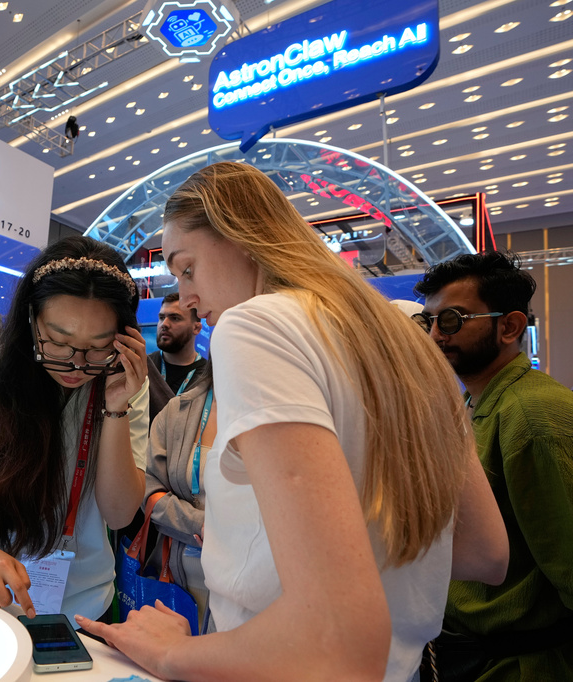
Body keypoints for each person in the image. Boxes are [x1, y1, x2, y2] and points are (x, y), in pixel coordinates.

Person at [76, 162, 509, 681]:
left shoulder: (254, 325)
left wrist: (172, 654)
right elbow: (485, 553)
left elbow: (337, 635)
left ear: (241, 236)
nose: (185, 297)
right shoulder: (401, 332)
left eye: (187, 268)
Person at [0, 236, 149, 624]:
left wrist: (115, 408)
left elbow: (118, 513)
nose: (77, 365)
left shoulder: (126, 384)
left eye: (98, 346)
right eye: (59, 342)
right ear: (31, 320)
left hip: (84, 608)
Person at [413, 251, 573, 679]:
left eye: (451, 320)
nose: (434, 337)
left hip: (521, 664)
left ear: (510, 326)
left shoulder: (534, 416)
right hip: (468, 656)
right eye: (427, 322)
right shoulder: (474, 403)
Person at [143, 361, 213, 632]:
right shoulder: (178, 411)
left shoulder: (282, 415)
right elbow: (149, 491)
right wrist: (200, 525)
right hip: (177, 576)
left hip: (253, 586)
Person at [147, 292, 206, 423]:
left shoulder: (208, 377)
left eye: (175, 318)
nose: (164, 324)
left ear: (196, 328)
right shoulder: (143, 367)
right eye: (161, 317)